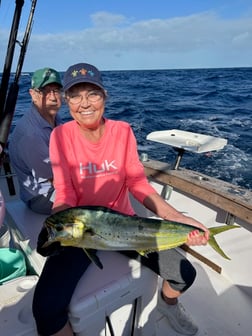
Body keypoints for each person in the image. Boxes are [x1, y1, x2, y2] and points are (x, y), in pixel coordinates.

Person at [33, 63, 209, 336]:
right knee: (45, 309)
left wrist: (176, 217)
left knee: (185, 273)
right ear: (67, 101)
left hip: (124, 224)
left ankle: (168, 304)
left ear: (105, 95)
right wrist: (59, 223)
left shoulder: (123, 130)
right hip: (82, 230)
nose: (85, 103)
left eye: (92, 93)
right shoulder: (60, 135)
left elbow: (136, 182)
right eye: (76, 95)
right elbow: (65, 191)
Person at [9, 68, 62, 215]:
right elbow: (55, 179)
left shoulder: (55, 118)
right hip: (41, 197)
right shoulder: (31, 135)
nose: (52, 97)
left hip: (58, 182)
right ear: (33, 94)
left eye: (56, 90)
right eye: (45, 91)